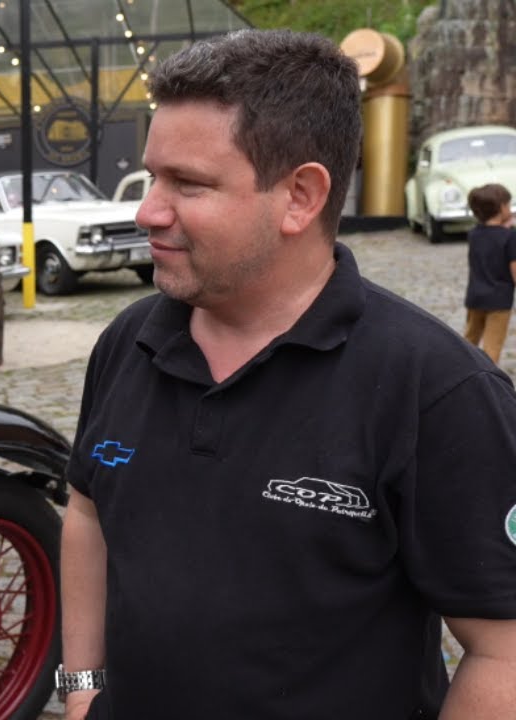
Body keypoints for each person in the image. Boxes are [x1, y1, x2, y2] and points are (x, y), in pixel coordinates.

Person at [59, 29, 516, 720]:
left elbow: (502, 649)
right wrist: (81, 690)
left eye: (189, 183)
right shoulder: (129, 340)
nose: (148, 210)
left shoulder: (437, 388)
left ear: (300, 196)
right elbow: (86, 511)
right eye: (153, 176)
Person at [462, 182, 516, 364]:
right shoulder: (510, 238)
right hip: (499, 302)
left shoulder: (474, 234)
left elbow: (490, 241)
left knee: (469, 341)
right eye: (509, 204)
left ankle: (463, 370)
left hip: (475, 297)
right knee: (492, 347)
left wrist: (505, 227)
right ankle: (489, 383)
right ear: (502, 207)